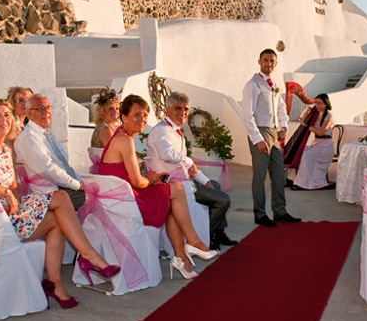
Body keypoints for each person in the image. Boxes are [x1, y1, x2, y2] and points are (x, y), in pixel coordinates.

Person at [0, 98, 120, 309]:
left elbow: (15, 189)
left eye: (7, 115)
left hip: (11, 214)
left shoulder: (6, 149)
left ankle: (56, 284)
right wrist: (6, 194)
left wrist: (15, 199)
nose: (4, 120)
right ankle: (88, 256)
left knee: (57, 219)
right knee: (62, 198)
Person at [99, 94, 215, 279]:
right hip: (125, 201)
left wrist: (154, 178)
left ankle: (182, 257)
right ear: (124, 117)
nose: (142, 119)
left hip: (121, 196)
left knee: (172, 201)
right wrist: (153, 180)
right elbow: (137, 181)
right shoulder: (125, 140)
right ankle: (190, 244)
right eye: (137, 115)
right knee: (176, 190)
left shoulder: (122, 137)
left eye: (145, 115)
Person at [146, 92, 238, 251]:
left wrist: (206, 180)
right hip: (174, 184)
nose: (182, 112)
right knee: (223, 200)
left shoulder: (174, 131)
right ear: (168, 109)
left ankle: (217, 232)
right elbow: (168, 155)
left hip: (182, 179)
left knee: (214, 185)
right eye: (178, 108)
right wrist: (188, 160)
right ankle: (207, 237)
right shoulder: (162, 130)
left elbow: (190, 168)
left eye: (185, 109)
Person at [241, 48, 301, 227]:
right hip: (260, 131)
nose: (269, 64)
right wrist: (258, 139)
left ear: (276, 63)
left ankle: (280, 211)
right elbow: (247, 115)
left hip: (275, 133)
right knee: (259, 176)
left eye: (272, 61)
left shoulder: (273, 84)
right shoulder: (253, 84)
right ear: (259, 62)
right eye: (265, 60)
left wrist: (284, 127)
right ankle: (260, 213)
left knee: (279, 173)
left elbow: (281, 108)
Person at [14, 94, 85, 210]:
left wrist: (79, 181)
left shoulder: (46, 134)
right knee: (97, 199)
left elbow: (63, 165)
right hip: (47, 193)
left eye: (48, 107)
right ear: (29, 113)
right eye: (40, 108)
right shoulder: (28, 138)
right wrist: (77, 185)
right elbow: (47, 169)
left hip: (62, 187)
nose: (46, 112)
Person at [291, 94, 335, 190]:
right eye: (316, 103)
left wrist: (307, 126)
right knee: (299, 151)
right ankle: (295, 180)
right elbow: (303, 120)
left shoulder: (329, 115)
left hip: (325, 146)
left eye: (320, 103)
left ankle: (305, 183)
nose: (317, 106)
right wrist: (307, 111)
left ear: (326, 104)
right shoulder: (315, 113)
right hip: (316, 143)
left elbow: (320, 132)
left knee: (307, 154)